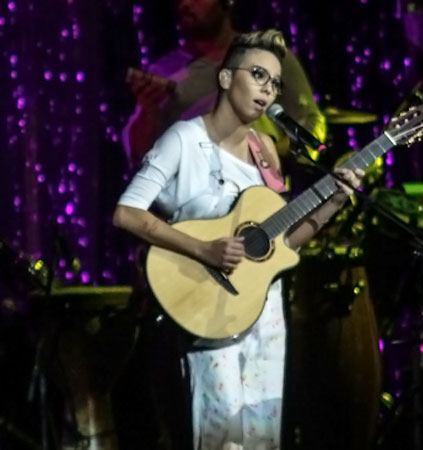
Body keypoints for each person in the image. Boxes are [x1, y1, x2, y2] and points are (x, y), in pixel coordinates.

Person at [113, 30, 362, 450]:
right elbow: (127, 213)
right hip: (209, 307)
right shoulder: (183, 140)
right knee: (221, 437)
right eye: (258, 75)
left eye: (275, 83)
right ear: (226, 78)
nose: (268, 89)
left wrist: (331, 203)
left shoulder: (265, 148)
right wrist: (203, 248)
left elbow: (279, 243)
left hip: (265, 314)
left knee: (263, 439)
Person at [123, 0, 326, 167]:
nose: (185, 4)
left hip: (262, 197)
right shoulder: (163, 71)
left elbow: (309, 118)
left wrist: (279, 154)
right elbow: (141, 159)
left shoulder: (267, 54)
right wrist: (147, 111)